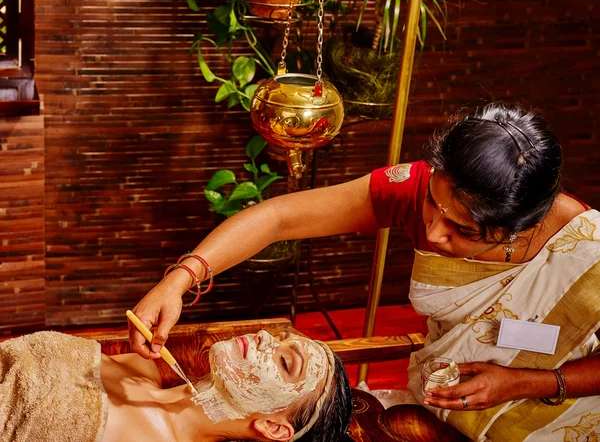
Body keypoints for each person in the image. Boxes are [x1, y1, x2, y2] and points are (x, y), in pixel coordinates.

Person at [130, 102, 600, 441]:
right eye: (433, 205)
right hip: (444, 395)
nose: (434, 233)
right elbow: (278, 219)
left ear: (524, 224)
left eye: (464, 230)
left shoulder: (588, 253)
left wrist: (530, 383)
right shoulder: (415, 189)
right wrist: (180, 278)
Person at [0, 329, 352, 442]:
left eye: (285, 361)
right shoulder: (144, 365)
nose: (263, 337)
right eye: (278, 336)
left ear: (273, 427)